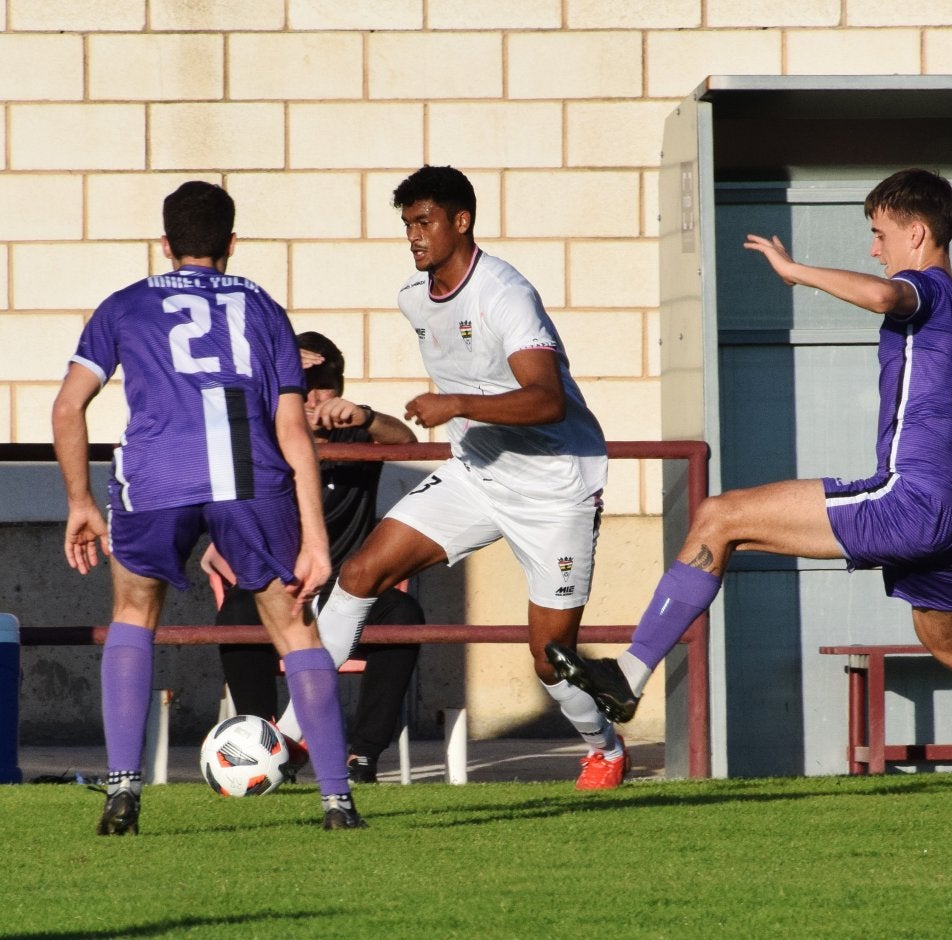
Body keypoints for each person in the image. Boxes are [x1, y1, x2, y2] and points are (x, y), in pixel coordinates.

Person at [546, 167, 952, 787]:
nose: (875, 250)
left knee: (720, 516)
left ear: (919, 233)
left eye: (880, 234)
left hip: (910, 499)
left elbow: (886, 296)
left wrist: (795, 273)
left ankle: (630, 677)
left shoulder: (925, 287)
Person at [297, 165, 625, 790]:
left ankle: (604, 747)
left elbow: (547, 400)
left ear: (461, 221)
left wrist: (457, 405)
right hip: (475, 473)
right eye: (407, 226)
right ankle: (289, 738)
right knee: (362, 574)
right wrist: (459, 416)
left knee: (551, 660)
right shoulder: (413, 298)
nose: (414, 237)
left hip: (555, 490)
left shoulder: (505, 293)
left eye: (424, 223)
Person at [52, 181, 366, 833]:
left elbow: (67, 407)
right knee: (297, 631)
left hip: (156, 476)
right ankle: (337, 802)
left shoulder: (125, 305)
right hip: (250, 479)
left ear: (164, 245)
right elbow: (292, 430)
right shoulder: (262, 306)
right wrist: (316, 538)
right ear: (231, 243)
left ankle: (121, 793)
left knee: (133, 615)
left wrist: (80, 501)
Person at [207, 331, 423, 784]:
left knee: (404, 615)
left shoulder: (355, 434)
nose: (313, 399)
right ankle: (264, 742)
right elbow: (219, 413)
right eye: (302, 388)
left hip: (352, 589)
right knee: (239, 612)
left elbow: (406, 441)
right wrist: (269, 360)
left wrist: (365, 415)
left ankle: (363, 755)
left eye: (324, 387)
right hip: (283, 589)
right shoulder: (264, 436)